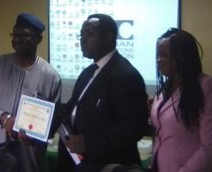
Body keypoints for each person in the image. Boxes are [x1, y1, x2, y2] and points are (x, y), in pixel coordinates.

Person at [56, 13, 149, 172]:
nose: (83, 39)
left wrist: (87, 143)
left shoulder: (126, 75)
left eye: (90, 34)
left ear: (108, 37)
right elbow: (73, 109)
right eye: (81, 34)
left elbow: (133, 128)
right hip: (77, 163)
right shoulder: (87, 72)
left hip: (106, 165)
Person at [0, 12, 61, 169]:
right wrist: (3, 118)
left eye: (24, 35)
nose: (17, 39)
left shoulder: (51, 76)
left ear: (39, 39)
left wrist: (35, 135)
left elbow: (52, 121)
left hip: (28, 157)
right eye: (15, 34)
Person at [149, 28, 212, 172]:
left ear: (182, 57)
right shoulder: (164, 89)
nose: (158, 60)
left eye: (164, 56)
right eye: (157, 55)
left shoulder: (206, 87)